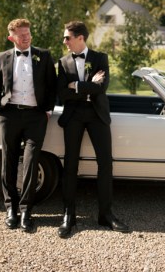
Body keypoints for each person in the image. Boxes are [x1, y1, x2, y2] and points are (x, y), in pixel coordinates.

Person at [56, 21, 129, 238]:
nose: (64, 42)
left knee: (105, 164)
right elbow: (62, 93)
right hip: (73, 117)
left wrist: (76, 85)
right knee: (70, 165)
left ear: (80, 38)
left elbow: (102, 87)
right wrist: (88, 87)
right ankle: (68, 215)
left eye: (67, 37)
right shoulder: (63, 62)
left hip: (97, 115)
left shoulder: (100, 58)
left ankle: (105, 214)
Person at [0, 18, 57, 232]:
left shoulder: (43, 56)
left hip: (36, 117)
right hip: (9, 115)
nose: (26, 37)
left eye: (28, 33)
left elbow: (52, 85)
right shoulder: (2, 57)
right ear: (12, 37)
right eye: (22, 35)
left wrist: (47, 111)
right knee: (8, 161)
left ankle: (26, 209)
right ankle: (10, 208)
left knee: (30, 162)